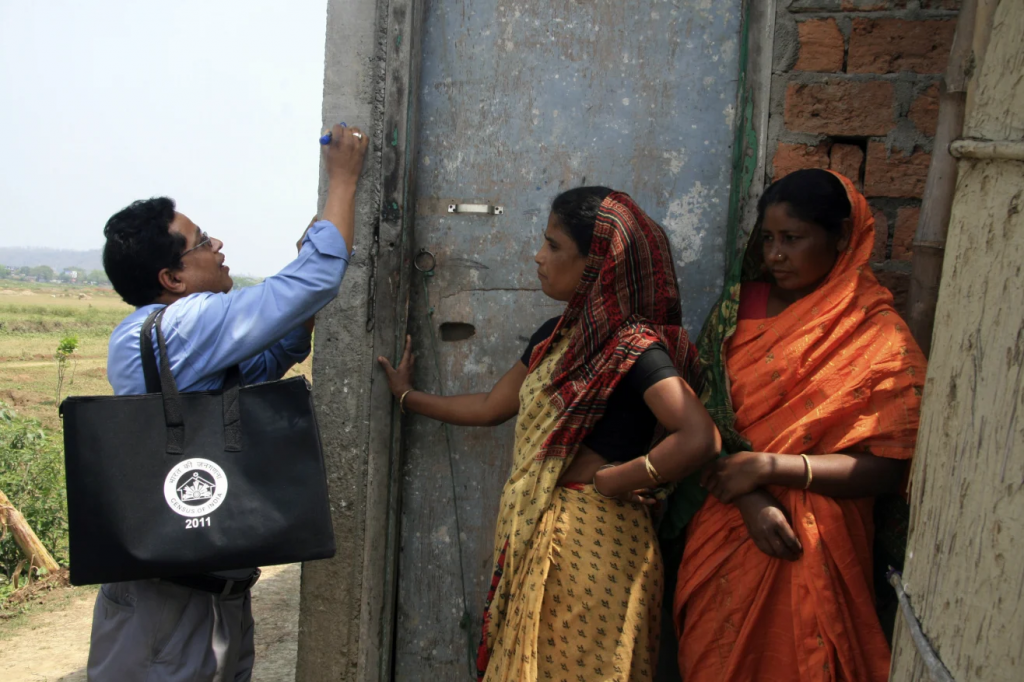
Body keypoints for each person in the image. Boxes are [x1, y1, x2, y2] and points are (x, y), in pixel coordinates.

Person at [378, 187, 721, 681]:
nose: (538, 256)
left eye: (554, 245)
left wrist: (616, 480)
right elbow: (492, 407)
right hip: (544, 531)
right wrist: (408, 396)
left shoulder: (634, 348)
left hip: (597, 545)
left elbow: (699, 437)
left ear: (597, 262)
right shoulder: (556, 336)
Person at [87, 123, 368, 682]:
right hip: (170, 608)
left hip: (206, 593)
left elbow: (271, 359)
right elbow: (315, 280)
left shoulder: (180, 335)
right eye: (202, 242)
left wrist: (296, 306)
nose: (217, 246)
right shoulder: (182, 326)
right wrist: (343, 180)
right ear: (172, 278)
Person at [670, 169, 928, 682]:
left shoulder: (878, 336)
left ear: (841, 237)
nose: (775, 255)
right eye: (767, 239)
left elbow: (888, 467)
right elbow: (699, 420)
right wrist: (750, 497)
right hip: (727, 523)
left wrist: (773, 468)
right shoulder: (735, 312)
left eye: (793, 238)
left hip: (822, 542)